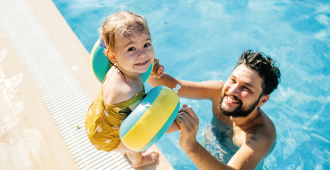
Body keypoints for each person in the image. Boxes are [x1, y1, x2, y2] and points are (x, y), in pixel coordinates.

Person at [148, 50, 281, 170]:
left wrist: (191, 146)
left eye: (245, 88)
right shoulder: (219, 92)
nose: (232, 91)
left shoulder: (261, 135)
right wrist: (149, 72)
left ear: (263, 100)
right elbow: (175, 86)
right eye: (233, 80)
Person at [84, 11, 177, 168]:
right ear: (112, 56)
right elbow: (149, 122)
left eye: (146, 45)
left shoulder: (117, 68)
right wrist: (179, 121)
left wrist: (152, 70)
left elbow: (140, 70)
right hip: (107, 137)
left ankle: (125, 150)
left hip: (96, 120)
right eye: (131, 49)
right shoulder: (127, 91)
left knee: (127, 141)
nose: (142, 54)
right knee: (135, 147)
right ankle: (138, 163)